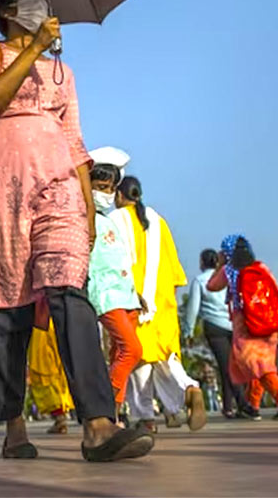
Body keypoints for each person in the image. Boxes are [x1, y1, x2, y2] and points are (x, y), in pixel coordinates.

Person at [0, 0, 153, 461]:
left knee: (69, 294)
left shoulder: (62, 72)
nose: (43, 4)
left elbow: (76, 139)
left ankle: (99, 424)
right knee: (5, 312)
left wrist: (87, 206)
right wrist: (32, 46)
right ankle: (14, 425)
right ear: (8, 9)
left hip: (58, 186)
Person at [109, 176, 205, 433]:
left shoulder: (115, 220)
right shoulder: (159, 221)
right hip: (163, 304)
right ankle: (189, 389)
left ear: (119, 195)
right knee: (167, 359)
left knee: (137, 360)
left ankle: (146, 418)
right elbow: (176, 274)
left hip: (133, 301)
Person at [207, 234, 278, 420]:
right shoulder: (261, 268)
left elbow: (211, 286)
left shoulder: (229, 271)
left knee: (259, 366)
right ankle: (252, 406)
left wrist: (220, 264)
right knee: (259, 365)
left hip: (246, 323)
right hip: (270, 322)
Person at [85, 156, 144, 421]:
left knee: (119, 353)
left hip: (127, 296)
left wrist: (136, 293)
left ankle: (114, 415)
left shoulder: (109, 221)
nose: (106, 194)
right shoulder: (82, 219)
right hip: (106, 296)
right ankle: (107, 408)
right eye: (100, 187)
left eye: (110, 189)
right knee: (133, 350)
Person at [183, 249, 252, 419]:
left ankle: (243, 404)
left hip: (214, 327)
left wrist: (188, 331)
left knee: (225, 366)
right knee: (232, 365)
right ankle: (228, 406)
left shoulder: (200, 281)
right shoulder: (227, 277)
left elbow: (192, 308)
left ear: (202, 262)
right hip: (233, 324)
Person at [27, 319, 76, 434]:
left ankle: (60, 417)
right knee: (57, 369)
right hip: (55, 320)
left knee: (44, 369)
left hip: (40, 321)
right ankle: (61, 416)